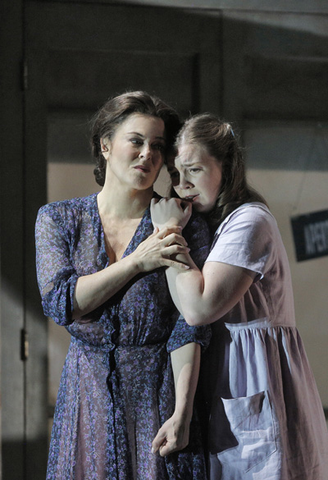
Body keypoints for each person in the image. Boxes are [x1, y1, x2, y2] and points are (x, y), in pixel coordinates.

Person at [35, 92, 212, 480]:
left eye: (158, 146)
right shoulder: (59, 219)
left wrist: (182, 413)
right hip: (86, 399)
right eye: (136, 140)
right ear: (105, 145)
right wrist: (137, 261)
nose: (148, 154)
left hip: (157, 400)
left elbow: (191, 323)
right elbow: (61, 302)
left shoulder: (183, 222)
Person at [151, 113, 328, 479]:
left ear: (227, 167)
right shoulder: (204, 224)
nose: (182, 184)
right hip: (224, 377)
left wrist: (166, 230)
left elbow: (198, 308)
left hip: (253, 375)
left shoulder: (250, 220)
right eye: (174, 173)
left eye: (195, 170)